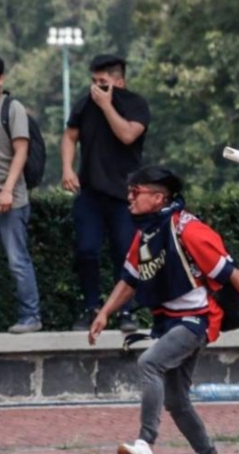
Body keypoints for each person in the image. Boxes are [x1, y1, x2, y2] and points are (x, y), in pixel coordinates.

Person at [88, 166, 239, 454]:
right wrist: (105, 312)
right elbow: (130, 280)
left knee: (149, 363)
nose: (129, 198)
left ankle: (145, 445)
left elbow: (230, 272)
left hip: (197, 321)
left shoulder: (188, 229)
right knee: (176, 400)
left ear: (159, 197)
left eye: (136, 192)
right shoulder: (147, 234)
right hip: (169, 323)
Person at [63, 54, 151, 333]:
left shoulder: (136, 104)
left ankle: (126, 310)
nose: (96, 88)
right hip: (90, 192)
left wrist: (107, 106)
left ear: (119, 82)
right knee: (86, 250)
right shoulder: (85, 103)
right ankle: (90, 307)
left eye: (103, 82)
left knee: (125, 255)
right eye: (94, 82)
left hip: (125, 195)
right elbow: (69, 135)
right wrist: (67, 168)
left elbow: (127, 135)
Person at [0, 54, 41, 334]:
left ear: (0, 79)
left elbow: (21, 151)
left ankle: (31, 317)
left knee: (17, 260)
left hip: (10, 199)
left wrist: (7, 190)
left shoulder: (11, 109)